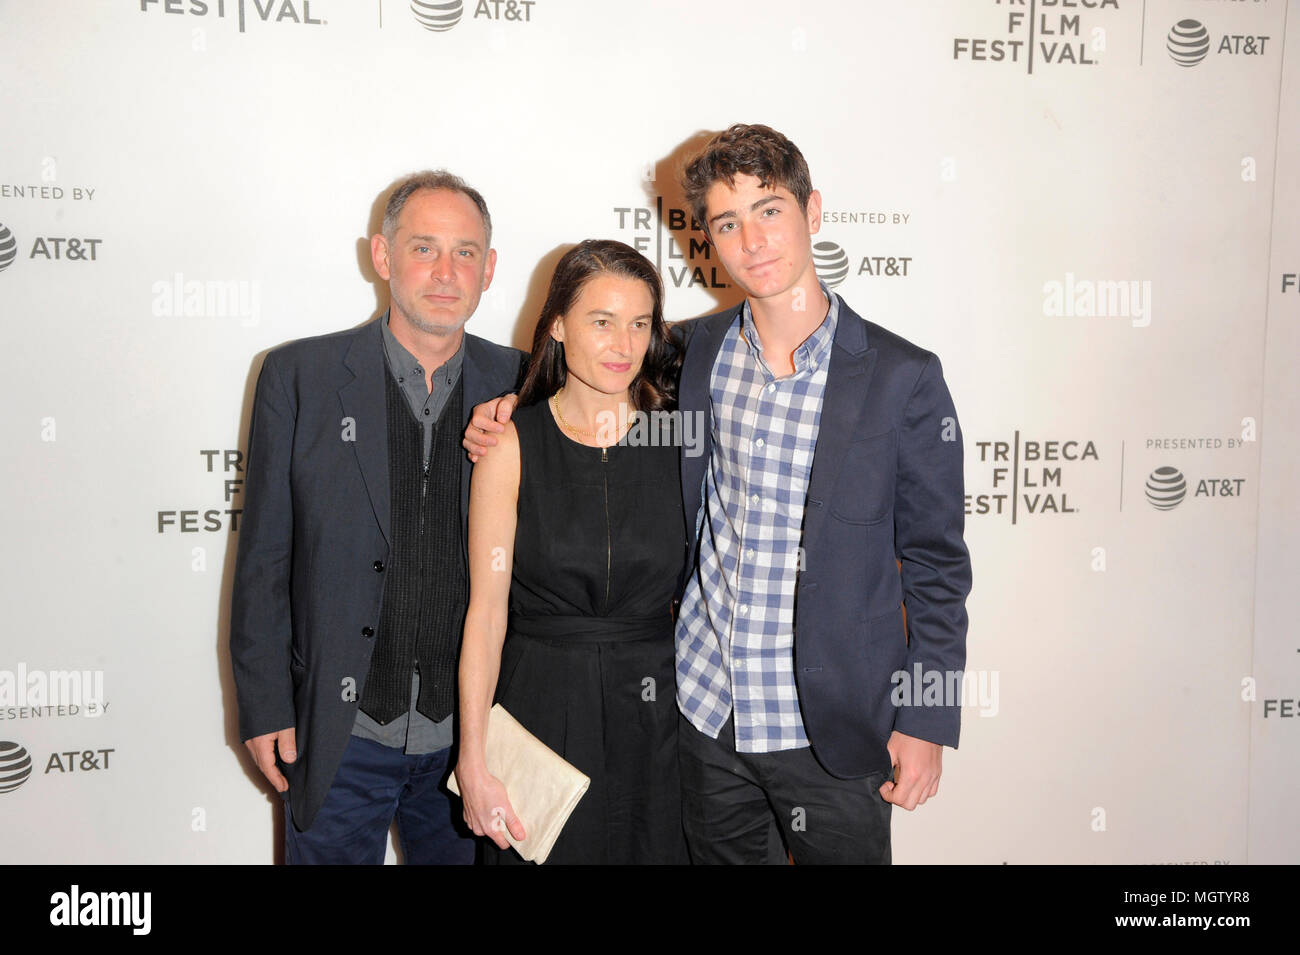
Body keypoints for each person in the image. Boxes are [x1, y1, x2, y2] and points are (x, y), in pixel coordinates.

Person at [465, 125, 971, 865]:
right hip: (703, 722)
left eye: (770, 210)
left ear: (813, 210)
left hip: (830, 734)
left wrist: (925, 717)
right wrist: (506, 406)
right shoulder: (693, 355)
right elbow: (591, 365)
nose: (753, 240)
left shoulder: (903, 377)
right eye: (727, 222)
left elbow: (935, 565)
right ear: (708, 237)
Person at [230, 170, 526, 864]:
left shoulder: (524, 385)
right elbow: (266, 556)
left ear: (489, 269)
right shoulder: (297, 376)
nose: (446, 272)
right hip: (339, 733)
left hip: (471, 742)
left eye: (465, 253)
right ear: (383, 257)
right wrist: (266, 703)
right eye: (424, 249)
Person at [455, 239, 688, 865]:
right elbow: (487, 613)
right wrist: (472, 759)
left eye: (640, 323)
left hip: (659, 718)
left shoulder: (681, 439)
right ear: (557, 323)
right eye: (601, 321)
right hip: (540, 712)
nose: (623, 344)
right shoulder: (511, 441)